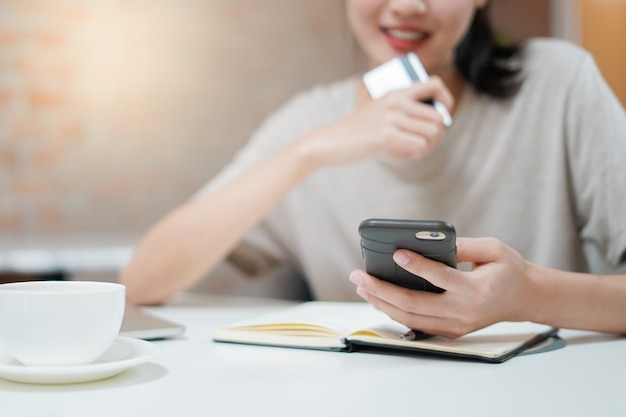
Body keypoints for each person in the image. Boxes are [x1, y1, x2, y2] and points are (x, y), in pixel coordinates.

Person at [121, 0, 626, 337]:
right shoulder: (308, 123)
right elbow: (142, 280)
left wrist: (529, 295)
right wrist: (312, 150)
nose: (407, 5)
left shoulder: (559, 84)